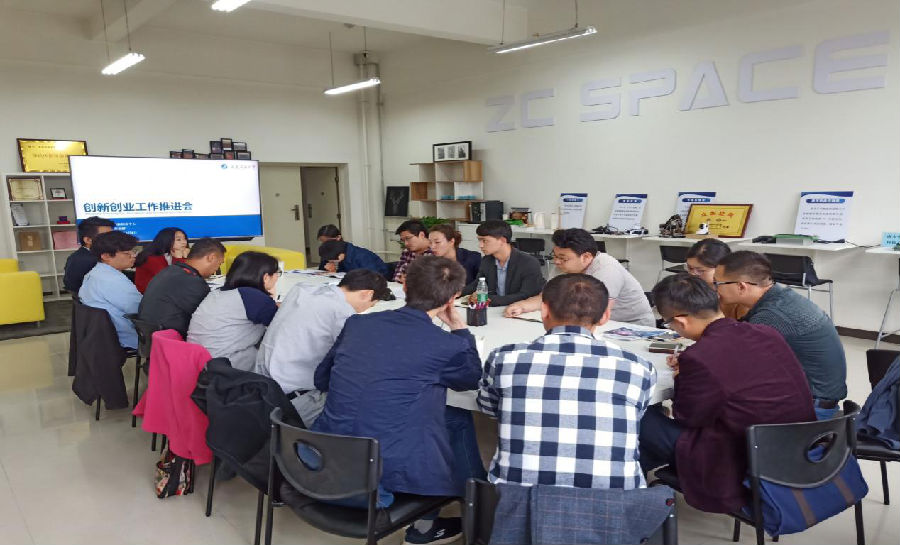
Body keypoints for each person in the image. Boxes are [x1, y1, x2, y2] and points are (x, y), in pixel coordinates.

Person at [313, 256, 485, 544]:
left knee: (450, 416)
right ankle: (458, 511)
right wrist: (459, 329)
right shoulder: (447, 344)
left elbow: (322, 379)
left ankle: (471, 499)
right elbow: (470, 379)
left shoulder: (358, 324)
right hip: (379, 470)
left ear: (404, 286)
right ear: (453, 298)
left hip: (322, 452)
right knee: (451, 416)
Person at [639, 274, 815, 513]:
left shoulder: (699, 357)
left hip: (742, 459)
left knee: (641, 416)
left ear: (680, 321)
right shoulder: (765, 332)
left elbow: (688, 417)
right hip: (798, 448)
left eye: (669, 324)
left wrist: (683, 377)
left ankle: (627, 489)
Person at [480, 273, 656, 489]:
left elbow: (489, 408)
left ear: (544, 310)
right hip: (617, 502)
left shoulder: (505, 358)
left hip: (517, 498)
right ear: (605, 316)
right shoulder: (638, 368)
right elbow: (636, 416)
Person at [715, 251, 847, 419]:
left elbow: (737, 364)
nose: (714, 289)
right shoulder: (778, 297)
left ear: (741, 286)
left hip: (810, 409)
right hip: (814, 398)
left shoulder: (772, 316)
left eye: (717, 283)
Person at [255, 269, 391, 426]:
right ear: (367, 294)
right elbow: (356, 362)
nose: (365, 310)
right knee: (367, 403)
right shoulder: (342, 313)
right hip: (292, 400)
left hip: (261, 388)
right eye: (371, 305)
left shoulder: (301, 290)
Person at [505, 228, 654, 326]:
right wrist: (522, 306)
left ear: (586, 257)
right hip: (595, 324)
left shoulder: (607, 269)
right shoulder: (563, 265)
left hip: (630, 326)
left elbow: (598, 313)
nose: (557, 261)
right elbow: (547, 296)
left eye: (563, 258)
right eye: (555, 256)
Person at [187, 251, 280, 371]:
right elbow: (282, 324)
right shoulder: (253, 297)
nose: (277, 277)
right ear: (266, 277)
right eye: (277, 273)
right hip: (227, 367)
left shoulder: (218, 293)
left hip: (199, 363)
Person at [138, 238, 226, 338]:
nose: (217, 269)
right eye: (219, 264)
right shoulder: (192, 281)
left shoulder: (169, 271)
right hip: (172, 340)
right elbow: (210, 319)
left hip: (153, 338)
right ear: (211, 258)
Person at [78, 230, 142, 349]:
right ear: (106, 256)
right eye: (127, 253)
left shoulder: (94, 273)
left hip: (100, 335)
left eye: (134, 251)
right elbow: (141, 310)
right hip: (125, 337)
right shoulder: (113, 280)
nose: (133, 256)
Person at [460, 220, 546, 306]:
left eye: (485, 241)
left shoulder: (528, 263)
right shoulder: (487, 260)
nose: (480, 245)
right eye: (479, 240)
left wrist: (487, 299)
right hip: (494, 310)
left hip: (520, 310)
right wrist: (458, 292)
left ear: (502, 240)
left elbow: (526, 295)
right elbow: (477, 284)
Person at [684, 238, 748, 320]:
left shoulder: (738, 297)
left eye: (700, 270)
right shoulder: (690, 288)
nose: (692, 274)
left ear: (722, 269)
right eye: (689, 268)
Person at [63, 216, 115, 295]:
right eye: (106, 236)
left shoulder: (78, 255)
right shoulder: (92, 261)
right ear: (88, 240)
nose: (113, 240)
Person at [134, 227, 189, 293]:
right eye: (178, 239)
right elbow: (172, 280)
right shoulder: (152, 258)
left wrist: (184, 258)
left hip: (166, 293)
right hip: (151, 296)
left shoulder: (172, 255)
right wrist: (179, 259)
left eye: (185, 239)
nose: (184, 242)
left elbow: (190, 278)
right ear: (166, 240)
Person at [318, 239, 389, 278]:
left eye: (332, 260)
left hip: (378, 281)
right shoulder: (344, 252)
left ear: (340, 255)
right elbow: (343, 273)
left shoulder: (362, 256)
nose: (332, 262)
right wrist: (334, 271)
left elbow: (373, 277)